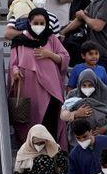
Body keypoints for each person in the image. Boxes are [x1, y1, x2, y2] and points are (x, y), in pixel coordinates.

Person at [10, 8, 70, 147]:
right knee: (32, 123)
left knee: (50, 124)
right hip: (29, 89)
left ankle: (52, 156)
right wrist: (15, 71)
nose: (39, 25)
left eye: (42, 23)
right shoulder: (19, 40)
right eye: (35, 22)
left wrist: (50, 54)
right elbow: (13, 62)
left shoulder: (51, 38)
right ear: (29, 23)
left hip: (52, 91)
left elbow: (65, 57)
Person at [61, 69, 107, 138]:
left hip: (103, 136)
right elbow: (63, 115)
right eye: (84, 85)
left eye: (90, 85)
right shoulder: (73, 94)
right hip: (79, 138)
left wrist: (106, 127)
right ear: (79, 84)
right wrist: (75, 113)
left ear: (95, 83)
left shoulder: (105, 92)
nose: (87, 88)